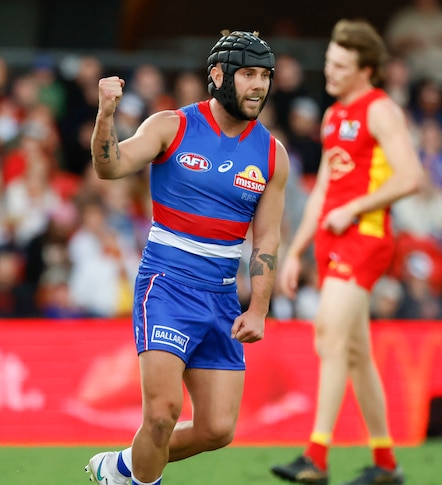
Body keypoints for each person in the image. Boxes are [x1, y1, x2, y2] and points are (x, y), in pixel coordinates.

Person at [84, 30, 289, 485]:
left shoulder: (273, 155)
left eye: (265, 76)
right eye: (248, 75)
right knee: (161, 415)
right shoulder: (171, 126)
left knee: (218, 428)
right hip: (167, 286)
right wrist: (106, 114)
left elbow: (268, 238)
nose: (259, 86)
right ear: (218, 76)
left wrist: (258, 307)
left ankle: (119, 467)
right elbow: (109, 165)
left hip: (220, 297)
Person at [270, 20, 423, 485]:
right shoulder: (334, 115)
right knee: (356, 354)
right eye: (328, 62)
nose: (329, 72)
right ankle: (386, 464)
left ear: (366, 69)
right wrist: (295, 251)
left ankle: (316, 456)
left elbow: (410, 177)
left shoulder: (381, 111)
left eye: (339, 65)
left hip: (367, 237)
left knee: (329, 339)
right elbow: (322, 191)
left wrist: (355, 207)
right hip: (333, 239)